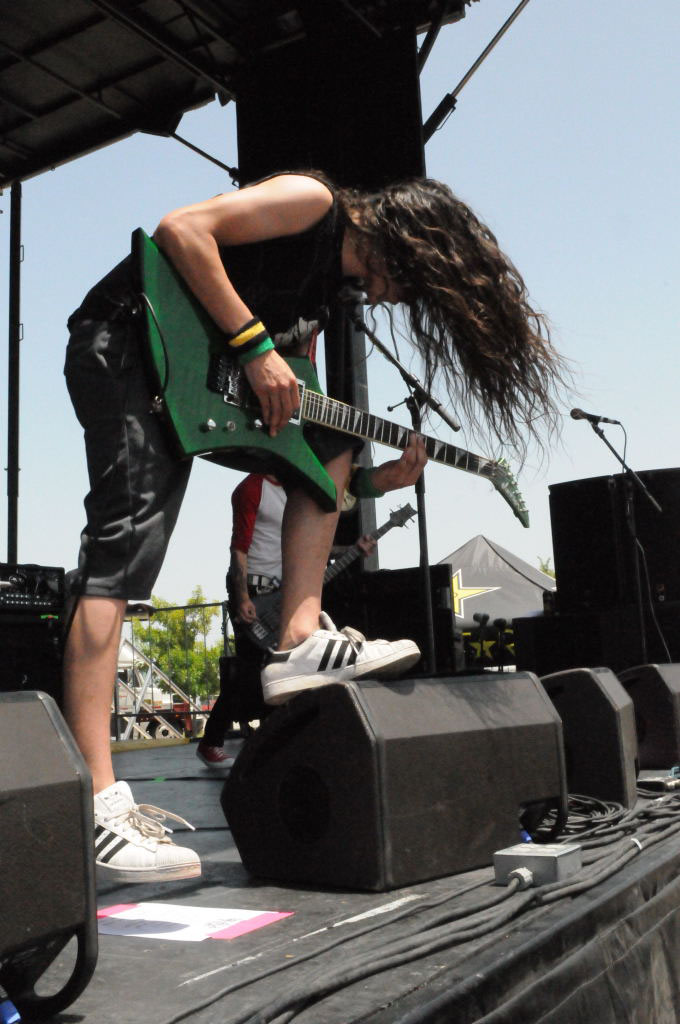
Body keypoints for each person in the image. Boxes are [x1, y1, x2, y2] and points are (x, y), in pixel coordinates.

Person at [63, 170, 567, 884]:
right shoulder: (314, 202)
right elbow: (182, 229)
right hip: (124, 343)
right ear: (410, 242)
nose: (397, 298)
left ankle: (297, 638)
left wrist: (377, 482)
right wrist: (253, 346)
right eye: (413, 282)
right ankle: (95, 800)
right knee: (124, 550)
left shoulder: (324, 301)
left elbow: (295, 444)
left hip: (190, 379)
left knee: (335, 437)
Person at [197, 472, 378, 767]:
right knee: (250, 671)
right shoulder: (252, 487)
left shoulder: (296, 493)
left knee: (289, 666)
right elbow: (239, 548)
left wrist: (353, 550)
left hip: (285, 590)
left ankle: (280, 744)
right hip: (255, 592)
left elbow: (309, 548)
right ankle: (212, 742)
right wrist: (242, 596)